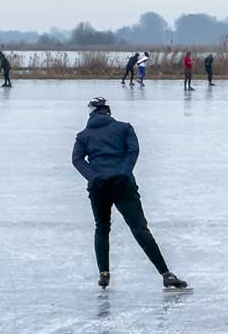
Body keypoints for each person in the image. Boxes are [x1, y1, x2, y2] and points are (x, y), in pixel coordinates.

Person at [71, 97, 187, 290]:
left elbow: (77, 160)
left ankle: (104, 275)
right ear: (108, 111)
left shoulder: (83, 135)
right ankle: (166, 274)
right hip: (124, 185)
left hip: (99, 187)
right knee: (139, 228)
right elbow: (133, 151)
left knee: (102, 228)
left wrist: (94, 177)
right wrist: (123, 173)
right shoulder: (125, 128)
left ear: (90, 113)